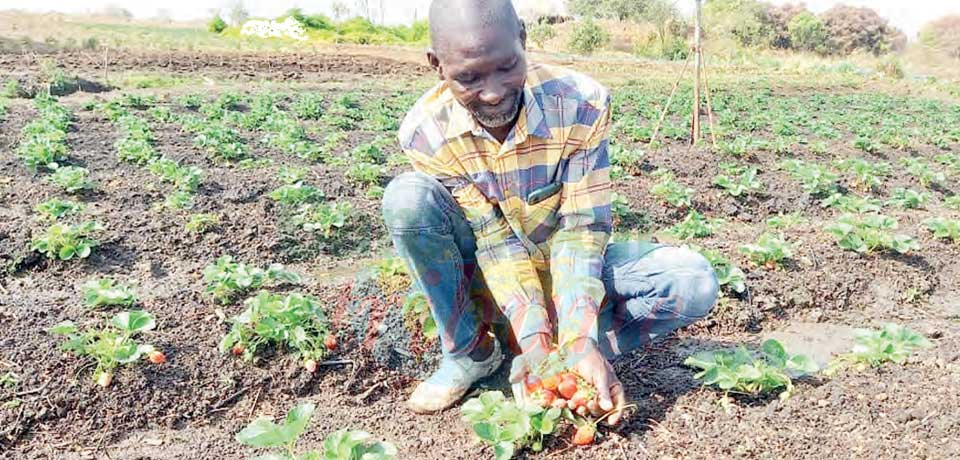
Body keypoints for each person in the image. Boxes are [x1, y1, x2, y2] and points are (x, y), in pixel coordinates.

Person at [381, 0, 719, 424]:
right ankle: (471, 353)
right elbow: (494, 241)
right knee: (408, 199)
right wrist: (532, 333)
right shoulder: (426, 133)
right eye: (468, 77)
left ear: (523, 39)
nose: (492, 91)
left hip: (566, 270)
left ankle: (576, 353)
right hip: (487, 278)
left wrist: (576, 337)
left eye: (507, 66)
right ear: (436, 65)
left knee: (692, 281)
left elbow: (581, 229)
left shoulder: (581, 104)